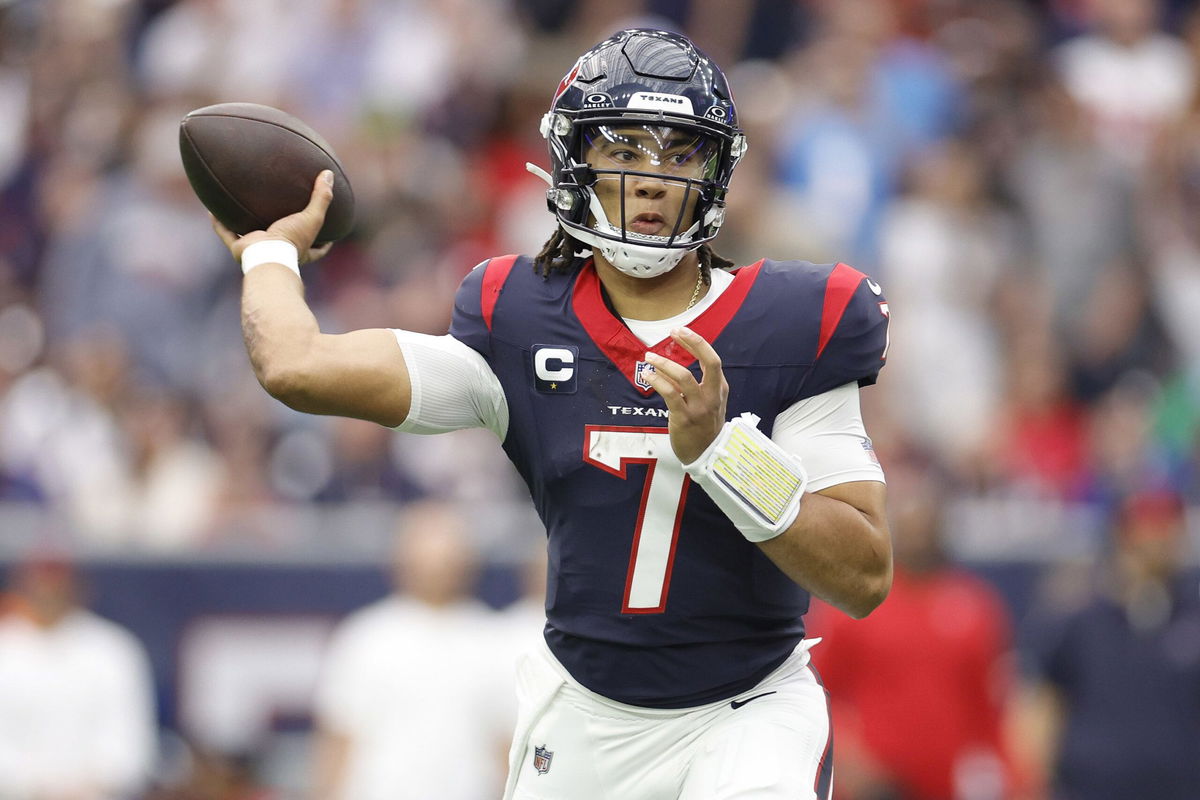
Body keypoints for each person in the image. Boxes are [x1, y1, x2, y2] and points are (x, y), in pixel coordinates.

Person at [211, 28, 892, 799]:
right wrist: (268, 254)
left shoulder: (794, 321)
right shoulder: (518, 318)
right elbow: (297, 366)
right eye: (627, 150)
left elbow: (864, 574)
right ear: (575, 161)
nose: (654, 180)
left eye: (679, 155)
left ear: (719, 169)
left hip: (748, 711)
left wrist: (722, 454)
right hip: (584, 714)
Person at [808, 460, 1021, 800]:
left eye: (926, 521)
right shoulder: (853, 601)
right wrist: (852, 763)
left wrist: (1011, 781)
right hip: (872, 788)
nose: (918, 531)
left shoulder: (975, 606)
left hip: (947, 786)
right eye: (909, 522)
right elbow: (816, 693)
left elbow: (989, 709)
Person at [311, 501, 512, 800]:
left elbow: (508, 746)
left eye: (446, 545)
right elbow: (337, 743)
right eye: (424, 544)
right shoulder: (365, 637)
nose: (436, 559)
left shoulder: (494, 640)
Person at [1020, 487, 1200, 800]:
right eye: (1146, 525)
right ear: (1121, 533)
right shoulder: (1077, 615)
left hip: (1180, 786)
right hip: (1090, 787)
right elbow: (1043, 704)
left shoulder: (1191, 616)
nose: (1157, 537)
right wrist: (1036, 782)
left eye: (1167, 526)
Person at [0, 551, 158, 799]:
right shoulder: (6, 648)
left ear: (77, 588)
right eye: (40, 584)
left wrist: (90, 786)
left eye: (56, 585)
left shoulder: (112, 649)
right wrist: (34, 787)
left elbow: (130, 742)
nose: (47, 593)